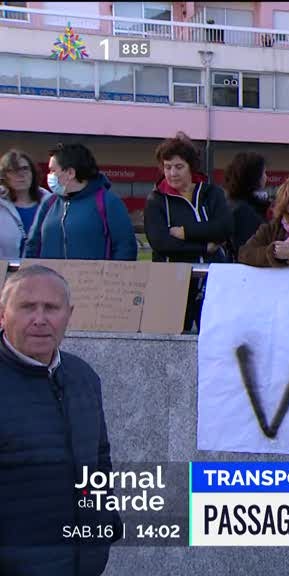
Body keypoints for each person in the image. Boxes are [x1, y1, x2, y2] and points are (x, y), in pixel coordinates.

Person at [0, 265, 120, 575]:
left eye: (51, 308)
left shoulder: (84, 378)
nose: (40, 319)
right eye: (27, 307)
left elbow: (100, 459)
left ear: (68, 315)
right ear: (2, 314)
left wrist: (105, 521)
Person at [144, 132, 232, 331]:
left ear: (191, 167)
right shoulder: (156, 200)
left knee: (212, 336)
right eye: (168, 167)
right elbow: (162, 243)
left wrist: (185, 232)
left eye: (179, 167)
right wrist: (205, 246)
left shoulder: (211, 193)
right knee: (173, 339)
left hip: (212, 281)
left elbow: (224, 228)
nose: (173, 173)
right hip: (172, 283)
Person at [24, 143, 137, 261]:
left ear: (70, 173)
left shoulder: (109, 202)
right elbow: (32, 245)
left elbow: (125, 247)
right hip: (49, 278)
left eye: (53, 170)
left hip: (93, 278)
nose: (49, 176)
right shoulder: (49, 203)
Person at [0, 150, 51, 257]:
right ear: (3, 176)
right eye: (13, 170)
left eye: (25, 169)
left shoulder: (51, 203)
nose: (20, 175)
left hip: (43, 270)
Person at [223, 151, 269, 262]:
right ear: (254, 176)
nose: (266, 177)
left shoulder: (236, 203)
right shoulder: (243, 211)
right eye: (264, 173)